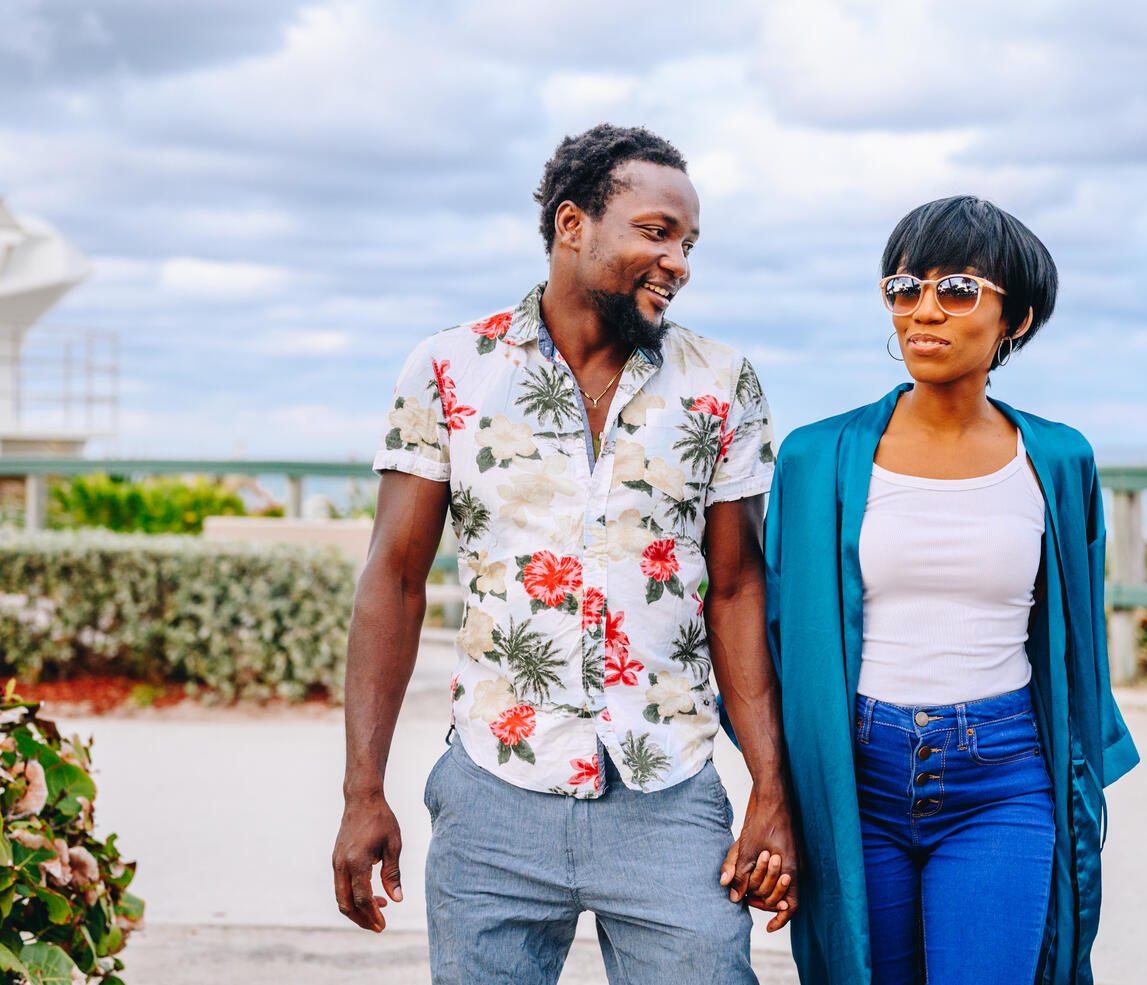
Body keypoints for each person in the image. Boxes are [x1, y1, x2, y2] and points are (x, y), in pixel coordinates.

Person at [332, 124, 798, 985]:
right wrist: (364, 788)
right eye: (656, 232)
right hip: (493, 787)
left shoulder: (721, 381)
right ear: (572, 224)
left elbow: (736, 589)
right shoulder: (448, 370)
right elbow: (392, 580)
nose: (680, 262)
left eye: (689, 243)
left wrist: (771, 789)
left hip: (669, 787)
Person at [763, 196, 1139, 985]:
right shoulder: (815, 458)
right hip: (853, 775)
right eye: (904, 287)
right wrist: (777, 792)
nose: (923, 309)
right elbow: (774, 634)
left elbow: (1077, 648)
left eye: (957, 288)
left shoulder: (1058, 461)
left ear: (1017, 318)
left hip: (1001, 776)